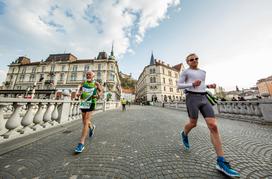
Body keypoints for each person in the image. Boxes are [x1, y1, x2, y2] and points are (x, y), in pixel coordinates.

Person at [177, 53, 240, 177]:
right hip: (192, 98)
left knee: (213, 126)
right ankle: (184, 133)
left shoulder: (203, 72)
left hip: (204, 97)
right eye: (191, 60)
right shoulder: (185, 72)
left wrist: (208, 85)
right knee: (193, 123)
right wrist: (191, 84)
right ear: (188, 62)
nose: (194, 60)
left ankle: (221, 162)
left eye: (196, 59)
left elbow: (200, 85)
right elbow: (179, 85)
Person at [74, 70, 103, 153]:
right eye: (87, 74)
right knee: (84, 121)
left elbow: (101, 92)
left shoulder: (96, 83)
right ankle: (92, 127)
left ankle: (81, 143)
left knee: (86, 121)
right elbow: (79, 90)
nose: (88, 75)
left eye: (89, 74)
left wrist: (97, 95)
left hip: (91, 103)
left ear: (93, 76)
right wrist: (78, 93)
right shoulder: (83, 83)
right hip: (84, 102)